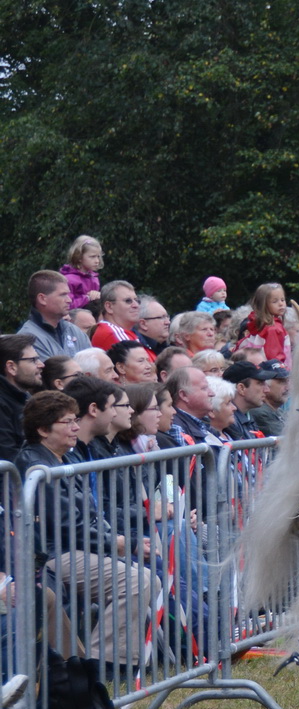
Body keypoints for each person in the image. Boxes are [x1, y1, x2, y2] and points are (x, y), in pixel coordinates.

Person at [18, 388, 161, 669]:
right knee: (136, 582)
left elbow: (88, 519)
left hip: (76, 547)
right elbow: (67, 527)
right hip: (55, 554)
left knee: (150, 579)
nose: (75, 427)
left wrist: (120, 540)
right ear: (43, 430)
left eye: (75, 420)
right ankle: (101, 664)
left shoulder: (66, 458)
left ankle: (108, 662)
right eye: (67, 422)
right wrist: (120, 543)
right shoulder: (36, 466)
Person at [18, 270, 92, 360]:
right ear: (42, 299)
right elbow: (51, 369)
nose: (69, 300)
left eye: (68, 294)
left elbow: (92, 365)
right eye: (63, 295)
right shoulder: (27, 339)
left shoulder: (74, 331)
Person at [0, 334, 44, 466]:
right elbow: (8, 459)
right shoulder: (2, 404)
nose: (41, 365)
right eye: (33, 360)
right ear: (11, 367)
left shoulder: (24, 398)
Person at [233, 282, 289, 364]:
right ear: (263, 305)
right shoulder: (273, 329)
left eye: (282, 300)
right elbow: (274, 359)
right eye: (275, 301)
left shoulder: (258, 323)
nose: (281, 304)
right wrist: (279, 370)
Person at [164, 365, 219, 447]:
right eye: (204, 388)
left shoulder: (203, 423)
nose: (212, 393)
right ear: (184, 395)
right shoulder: (176, 427)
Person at [87, 280, 146, 355]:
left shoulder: (122, 331)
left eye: (137, 300)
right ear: (109, 307)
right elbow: (140, 362)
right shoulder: (113, 333)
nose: (136, 305)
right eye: (128, 301)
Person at [116, 382, 167, 454]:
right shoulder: (119, 450)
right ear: (136, 412)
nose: (160, 414)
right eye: (154, 408)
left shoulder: (149, 442)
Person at [221, 361, 269, 437]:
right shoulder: (228, 421)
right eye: (260, 383)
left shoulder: (247, 416)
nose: (267, 390)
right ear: (241, 388)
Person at [250, 361, 289, 436]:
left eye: (288, 381)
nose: (288, 388)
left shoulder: (278, 410)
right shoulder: (261, 413)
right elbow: (288, 440)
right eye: (282, 382)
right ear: (265, 384)